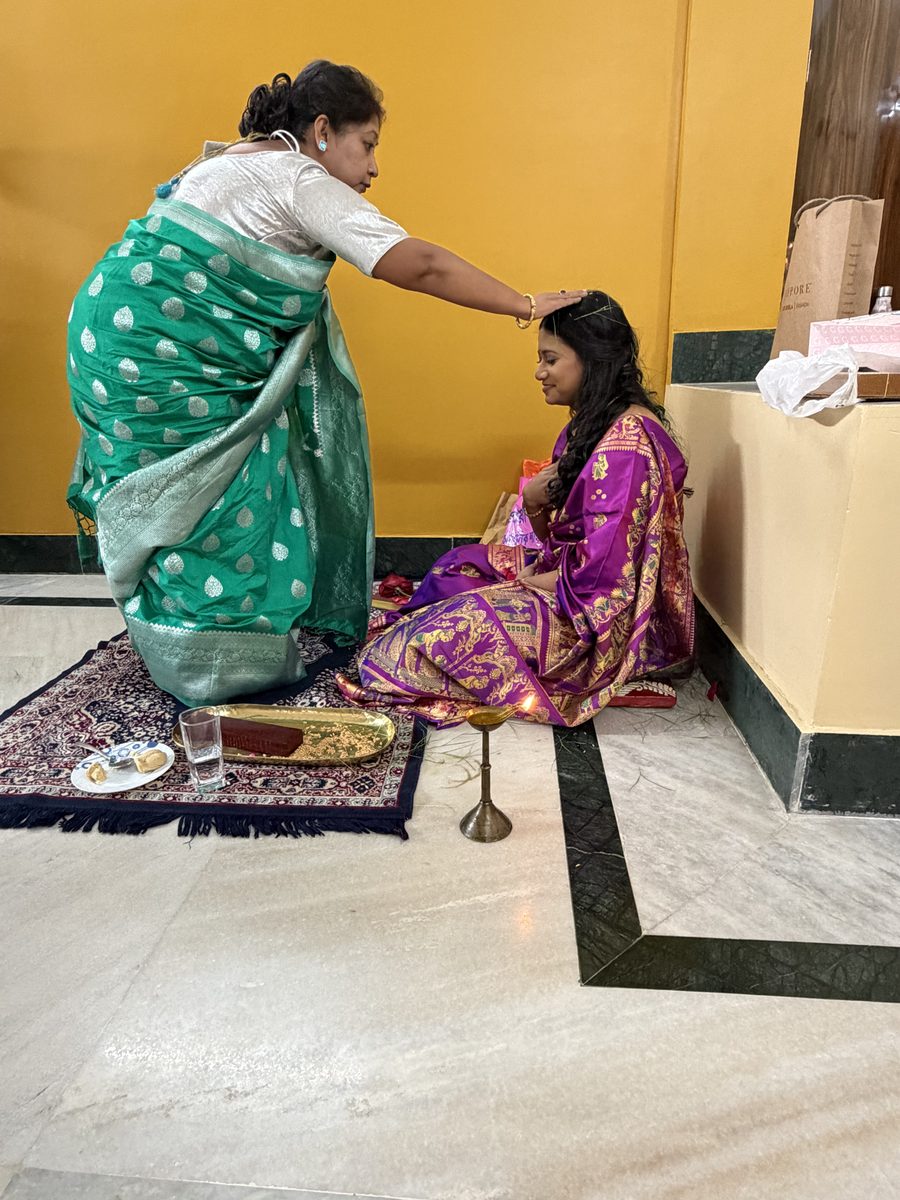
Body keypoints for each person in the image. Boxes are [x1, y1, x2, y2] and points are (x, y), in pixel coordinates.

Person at [66, 61, 582, 706]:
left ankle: (186, 643)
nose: (373, 168)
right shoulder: (297, 178)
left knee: (183, 491)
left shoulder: (226, 161)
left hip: (108, 336)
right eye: (366, 145)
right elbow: (416, 264)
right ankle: (216, 666)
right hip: (163, 354)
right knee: (225, 493)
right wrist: (526, 304)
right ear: (320, 131)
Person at [338, 292, 695, 727]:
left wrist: (532, 582)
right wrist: (533, 504)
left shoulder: (627, 446)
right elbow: (563, 537)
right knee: (459, 567)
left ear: (592, 359)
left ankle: (612, 678)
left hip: (594, 624)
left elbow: (606, 582)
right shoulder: (590, 425)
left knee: (421, 645)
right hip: (565, 577)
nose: (538, 372)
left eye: (550, 359)